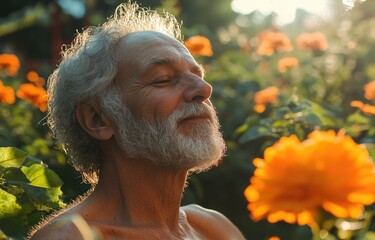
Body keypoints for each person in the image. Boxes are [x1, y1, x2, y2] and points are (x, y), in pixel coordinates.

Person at [29, 2, 245, 239]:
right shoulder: (71, 237)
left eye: (197, 75)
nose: (204, 89)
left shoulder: (212, 227)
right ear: (97, 119)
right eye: (162, 79)